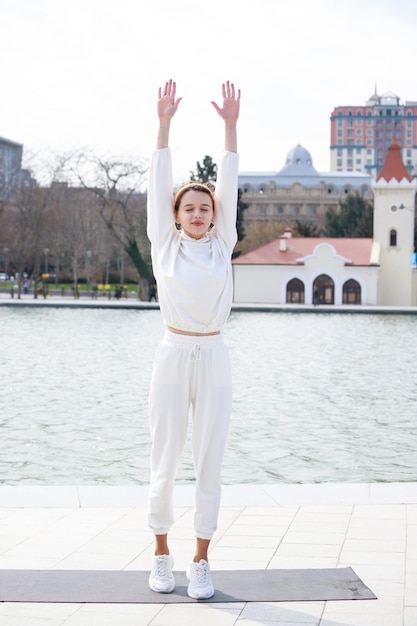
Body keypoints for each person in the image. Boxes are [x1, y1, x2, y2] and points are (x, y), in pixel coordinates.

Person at [146, 79, 240, 599]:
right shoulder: (165, 245)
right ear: (177, 216)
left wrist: (230, 127)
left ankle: (201, 560)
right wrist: (164, 124)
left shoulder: (223, 244)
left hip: (215, 354)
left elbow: (228, 181)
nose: (200, 213)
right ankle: (161, 554)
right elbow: (159, 177)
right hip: (173, 352)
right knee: (165, 454)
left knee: (210, 456)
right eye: (190, 208)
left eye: (206, 207)